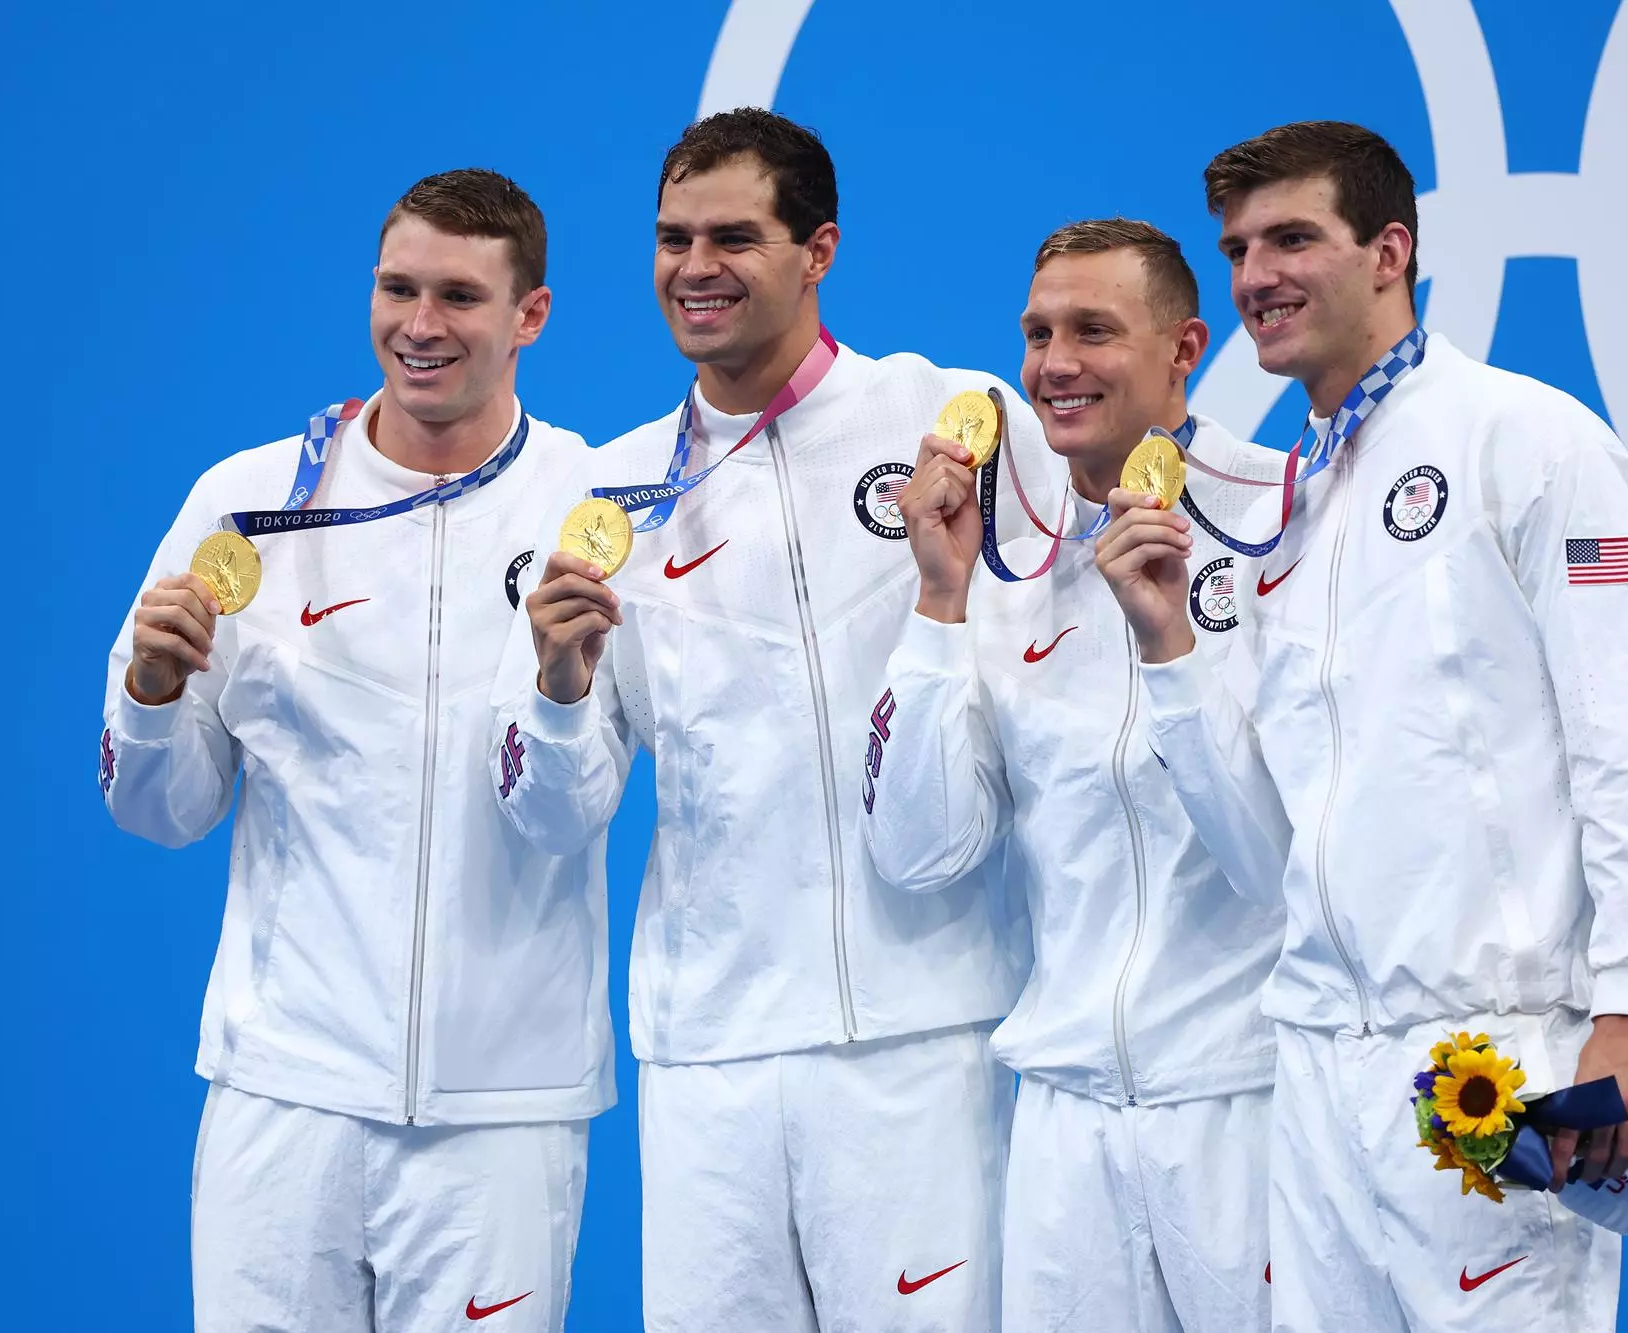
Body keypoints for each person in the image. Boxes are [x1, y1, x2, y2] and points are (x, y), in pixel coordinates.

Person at [1096, 121, 1628, 1331]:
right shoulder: (1293, 498)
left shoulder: (1527, 440)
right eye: (1236, 248)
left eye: (1290, 239)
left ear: (1388, 252)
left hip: (1494, 1056)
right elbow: (1268, 852)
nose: (1255, 273)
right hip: (1316, 1069)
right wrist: (1166, 644)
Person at [489, 109, 1045, 1331]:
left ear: (819, 249)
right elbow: (550, 816)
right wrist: (558, 685)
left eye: (733, 236)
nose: (696, 267)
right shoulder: (613, 493)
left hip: (919, 1034)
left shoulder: (952, 417)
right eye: (672, 238)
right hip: (709, 1059)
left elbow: (1069, 667)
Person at [101, 169, 609, 1333]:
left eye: (458, 297)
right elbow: (161, 810)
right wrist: (150, 693)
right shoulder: (246, 503)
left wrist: (561, 688)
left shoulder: (586, 506)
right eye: (397, 289)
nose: (419, 326)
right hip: (285, 1094)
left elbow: (567, 815)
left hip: (502, 1109)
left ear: (529, 315)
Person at [863, 218, 1290, 1332]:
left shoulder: (1279, 523)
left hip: (1243, 1103)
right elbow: (915, 852)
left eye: (1094, 331)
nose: (1054, 364)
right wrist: (938, 602)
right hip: (1062, 1121)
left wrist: (1167, 651)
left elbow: (1274, 867)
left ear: (1184, 345)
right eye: (1037, 332)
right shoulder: (1011, 565)